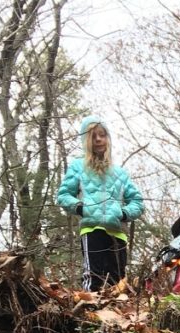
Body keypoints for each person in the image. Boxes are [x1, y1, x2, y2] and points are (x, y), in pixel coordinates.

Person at [57, 116, 144, 291]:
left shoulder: (119, 173)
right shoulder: (78, 167)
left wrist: (123, 213)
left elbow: (137, 202)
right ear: (86, 140)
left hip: (117, 232)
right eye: (93, 136)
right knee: (93, 275)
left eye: (102, 135)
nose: (98, 139)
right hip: (92, 229)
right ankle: (90, 313)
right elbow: (64, 195)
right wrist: (81, 208)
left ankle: (117, 315)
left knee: (118, 280)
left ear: (107, 138)